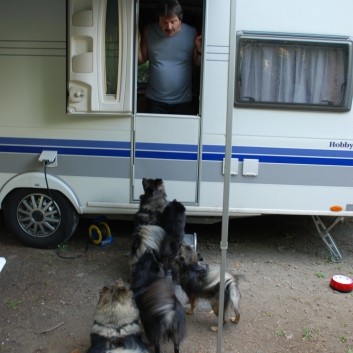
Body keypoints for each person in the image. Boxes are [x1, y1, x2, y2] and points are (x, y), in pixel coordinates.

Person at [138, 0, 202, 115]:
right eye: (164, 21)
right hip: (154, 101)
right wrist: (135, 41)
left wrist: (200, 50)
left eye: (173, 21)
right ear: (158, 19)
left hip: (183, 102)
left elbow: (197, 62)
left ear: (180, 20)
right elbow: (141, 60)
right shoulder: (149, 30)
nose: (169, 26)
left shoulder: (192, 32)